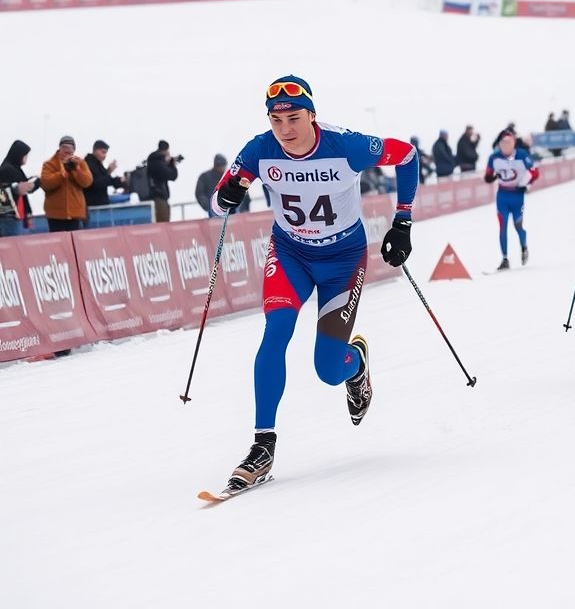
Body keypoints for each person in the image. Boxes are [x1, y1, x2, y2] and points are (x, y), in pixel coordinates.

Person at [209, 74, 418, 496]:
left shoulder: (347, 146)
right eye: (276, 119)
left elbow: (407, 155)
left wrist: (403, 220)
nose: (285, 128)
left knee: (327, 369)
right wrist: (229, 192)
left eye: (294, 117)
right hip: (291, 255)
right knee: (276, 332)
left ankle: (355, 363)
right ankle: (262, 446)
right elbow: (218, 204)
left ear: (312, 115)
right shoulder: (259, 150)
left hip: (342, 259)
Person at [483, 129, 538, 270]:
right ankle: (505, 258)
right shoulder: (494, 157)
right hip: (502, 196)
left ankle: (524, 247)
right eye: (503, 143)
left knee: (518, 226)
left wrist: (527, 185)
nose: (506, 146)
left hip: (517, 196)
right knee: (503, 227)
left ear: (514, 143)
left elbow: (535, 172)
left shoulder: (522, 155)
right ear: (500, 144)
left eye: (509, 143)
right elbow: (488, 176)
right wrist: (491, 177)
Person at [40, 135, 93, 232]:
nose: (67, 151)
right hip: (55, 214)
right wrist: (62, 173)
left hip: (76, 213)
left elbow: (87, 182)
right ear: (59, 148)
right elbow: (46, 184)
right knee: (58, 243)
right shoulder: (49, 164)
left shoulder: (80, 163)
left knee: (76, 243)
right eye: (64, 147)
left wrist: (76, 169)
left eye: (70, 148)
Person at [0, 140, 39, 237]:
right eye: (25, 155)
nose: (26, 158)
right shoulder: (7, 169)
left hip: (15, 215)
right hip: (8, 217)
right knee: (10, 245)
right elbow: (6, 191)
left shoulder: (15, 169)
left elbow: (23, 186)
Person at [83, 140, 123, 212]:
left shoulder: (98, 165)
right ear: (95, 150)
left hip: (100, 205)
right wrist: (109, 171)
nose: (104, 156)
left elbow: (104, 178)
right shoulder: (88, 164)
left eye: (105, 153)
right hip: (93, 206)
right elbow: (96, 183)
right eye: (103, 152)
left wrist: (120, 180)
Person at [146, 140, 181, 222]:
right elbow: (172, 176)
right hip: (159, 198)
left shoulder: (153, 160)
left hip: (158, 198)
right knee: (163, 224)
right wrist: (172, 165)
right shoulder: (157, 162)